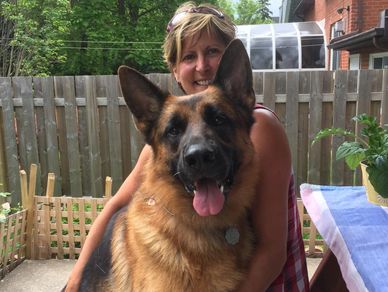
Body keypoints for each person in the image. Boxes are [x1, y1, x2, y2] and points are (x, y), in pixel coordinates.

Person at [65, 2, 310, 291]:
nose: (202, 65)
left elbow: (271, 253)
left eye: (213, 52)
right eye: (188, 56)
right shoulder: (165, 136)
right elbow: (117, 203)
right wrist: (76, 277)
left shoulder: (259, 126)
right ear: (175, 70)